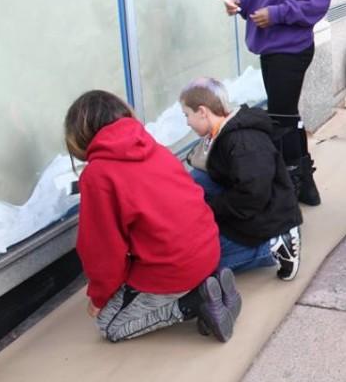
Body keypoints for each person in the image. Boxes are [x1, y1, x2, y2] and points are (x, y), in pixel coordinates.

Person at [66, 90, 240, 343]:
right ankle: (209, 285)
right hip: (207, 250)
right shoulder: (154, 148)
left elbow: (102, 250)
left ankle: (193, 303)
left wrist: (100, 297)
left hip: (174, 268)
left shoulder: (97, 175)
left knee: (109, 325)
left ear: (80, 134)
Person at [224, 0, 331, 207]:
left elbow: (318, 1)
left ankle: (293, 183)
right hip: (270, 46)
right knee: (286, 117)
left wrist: (277, 14)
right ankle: (302, 182)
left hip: (292, 47)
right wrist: (239, 3)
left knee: (281, 119)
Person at [181, 78, 303, 280]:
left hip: (267, 216)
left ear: (202, 112)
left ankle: (275, 244)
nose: (186, 122)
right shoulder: (220, 133)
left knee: (202, 265)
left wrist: (210, 208)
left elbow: (253, 195)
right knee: (196, 182)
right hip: (246, 205)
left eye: (187, 115)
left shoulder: (244, 143)